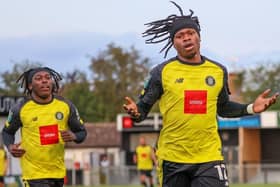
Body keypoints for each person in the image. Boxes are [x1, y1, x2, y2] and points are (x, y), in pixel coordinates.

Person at [123, 1, 279, 187]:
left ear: (199, 37)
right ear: (173, 43)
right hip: (172, 158)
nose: (186, 38)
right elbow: (143, 109)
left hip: (209, 156)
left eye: (191, 33)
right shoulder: (161, 72)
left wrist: (252, 108)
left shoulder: (218, 71)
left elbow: (223, 107)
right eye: (180, 36)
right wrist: (135, 112)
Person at [1, 67, 87, 187]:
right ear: (30, 86)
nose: (44, 81)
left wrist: (73, 136)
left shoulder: (65, 106)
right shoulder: (20, 109)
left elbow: (82, 132)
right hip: (33, 175)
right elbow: (7, 132)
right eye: (39, 78)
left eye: (48, 78)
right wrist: (10, 146)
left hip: (58, 173)